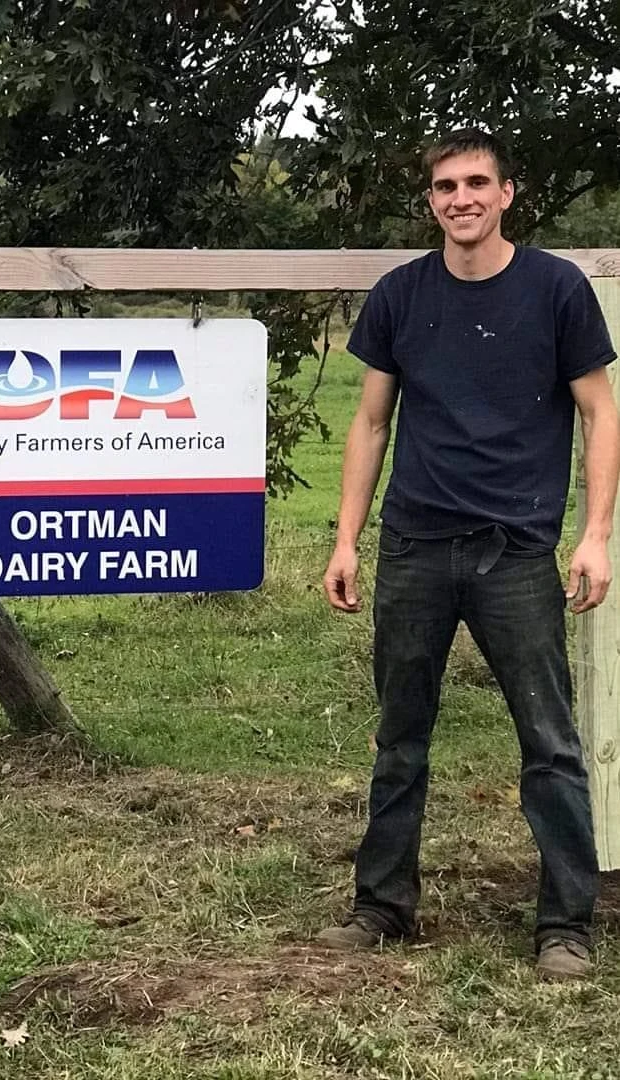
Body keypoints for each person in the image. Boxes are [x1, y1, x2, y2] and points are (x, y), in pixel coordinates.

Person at [318, 128, 619, 981]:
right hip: (413, 545)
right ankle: (381, 904)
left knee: (548, 744)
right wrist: (346, 539)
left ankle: (565, 924)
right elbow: (370, 421)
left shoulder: (555, 289)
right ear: (431, 203)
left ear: (506, 194)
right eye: (445, 187)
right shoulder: (401, 295)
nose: (461, 199)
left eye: (476, 183)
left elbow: (600, 413)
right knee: (399, 737)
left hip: (515, 553)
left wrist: (593, 534)